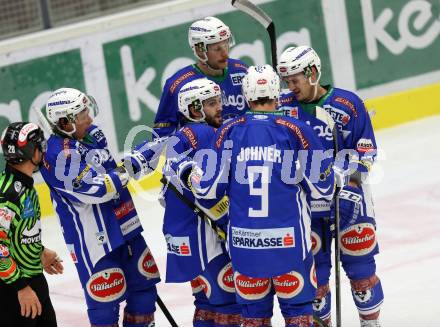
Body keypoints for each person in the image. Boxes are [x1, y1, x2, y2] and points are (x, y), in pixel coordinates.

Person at [175, 65, 335, 327]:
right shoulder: (295, 130)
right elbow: (323, 189)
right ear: (277, 92)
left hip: (245, 249)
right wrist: (335, 174)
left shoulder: (227, 131)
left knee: (254, 319)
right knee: (299, 316)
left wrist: (188, 170)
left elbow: (205, 190)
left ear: (246, 96)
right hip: (289, 246)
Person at [277, 46, 384, 327]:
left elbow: (366, 154)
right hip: (307, 209)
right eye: (286, 81)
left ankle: (370, 324)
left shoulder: (347, 105)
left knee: (362, 273)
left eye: (295, 79)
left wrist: (349, 188)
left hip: (349, 202)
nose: (291, 86)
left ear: (312, 73)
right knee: (316, 282)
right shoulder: (282, 108)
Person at [126, 78, 243, 326]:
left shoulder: (180, 136)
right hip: (202, 236)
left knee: (205, 302)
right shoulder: (206, 134)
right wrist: (231, 223)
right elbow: (207, 191)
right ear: (193, 109)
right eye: (212, 104)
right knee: (227, 301)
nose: (219, 107)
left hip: (181, 234)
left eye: (218, 101)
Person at [39, 88, 160, 327]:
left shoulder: (92, 134)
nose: (90, 119)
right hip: (94, 241)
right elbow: (96, 190)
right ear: (65, 122)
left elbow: (109, 169)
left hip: (126, 226)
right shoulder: (56, 155)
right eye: (83, 114)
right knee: (105, 307)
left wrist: (130, 164)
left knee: (145, 292)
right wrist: (131, 166)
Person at [0, 122, 64, 327]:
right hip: (15, 294)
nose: (43, 148)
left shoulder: (24, 186)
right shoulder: (8, 194)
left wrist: (39, 251)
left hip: (33, 283)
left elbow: (15, 234)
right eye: (40, 144)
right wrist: (21, 287)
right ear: (29, 151)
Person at [154, 16, 249, 137]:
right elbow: (162, 133)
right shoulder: (178, 84)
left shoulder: (242, 70)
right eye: (217, 49)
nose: (225, 54)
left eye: (226, 45)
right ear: (200, 51)